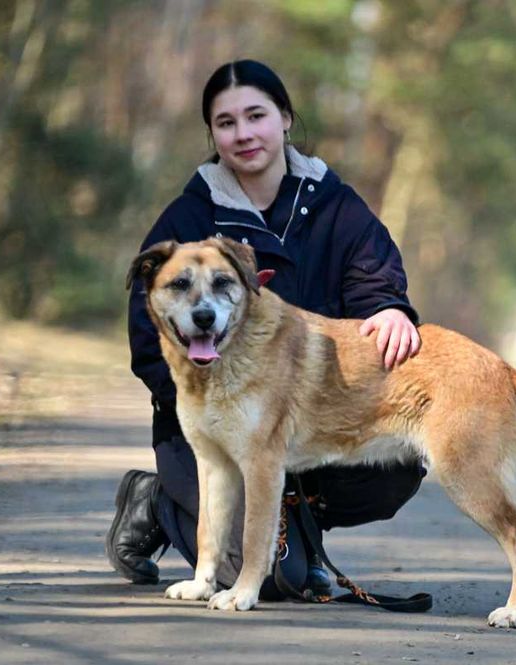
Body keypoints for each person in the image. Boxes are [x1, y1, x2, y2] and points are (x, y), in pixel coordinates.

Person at [109, 59, 426, 595]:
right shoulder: (187, 217)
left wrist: (391, 308)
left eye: (256, 115)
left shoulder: (334, 205)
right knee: (260, 579)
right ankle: (158, 501)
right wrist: (210, 403)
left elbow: (374, 280)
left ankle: (302, 526)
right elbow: (149, 338)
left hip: (308, 419)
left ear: (285, 118)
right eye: (226, 122)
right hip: (212, 429)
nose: (244, 133)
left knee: (395, 467)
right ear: (212, 134)